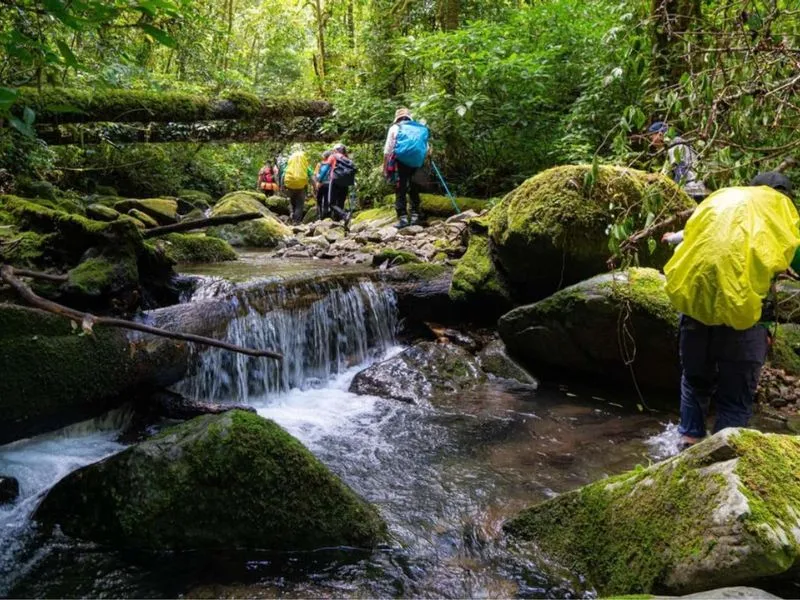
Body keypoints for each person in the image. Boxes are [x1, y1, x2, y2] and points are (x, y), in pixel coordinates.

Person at [662, 172, 800, 448]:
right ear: (786, 196)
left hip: (695, 311)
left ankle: (686, 445)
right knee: (735, 399)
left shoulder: (722, 199)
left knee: (694, 381)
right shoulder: (783, 214)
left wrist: (669, 238)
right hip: (743, 321)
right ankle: (723, 455)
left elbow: (691, 235)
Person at [383, 107, 429, 228]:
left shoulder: (395, 127)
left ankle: (403, 218)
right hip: (417, 162)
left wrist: (385, 168)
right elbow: (427, 149)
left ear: (397, 118)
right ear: (409, 117)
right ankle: (415, 216)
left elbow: (387, 150)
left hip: (401, 161)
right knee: (414, 187)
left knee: (401, 188)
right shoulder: (419, 128)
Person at [647, 121, 708, 201]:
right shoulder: (676, 144)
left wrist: (676, 192)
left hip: (691, 188)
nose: (652, 143)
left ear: (660, 134)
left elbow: (681, 170)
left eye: (652, 138)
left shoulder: (676, 146)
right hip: (695, 187)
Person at [324, 143, 356, 225]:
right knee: (340, 203)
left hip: (335, 180)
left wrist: (319, 180)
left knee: (331, 203)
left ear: (335, 150)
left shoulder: (333, 156)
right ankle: (338, 222)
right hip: (345, 182)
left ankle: (344, 215)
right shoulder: (347, 158)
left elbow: (325, 169)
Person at [282, 144, 313, 224]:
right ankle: (296, 221)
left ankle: (292, 217)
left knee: (292, 202)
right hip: (301, 187)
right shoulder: (305, 166)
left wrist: (282, 187)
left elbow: (283, 175)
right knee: (300, 204)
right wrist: (315, 187)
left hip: (290, 186)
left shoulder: (289, 166)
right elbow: (312, 176)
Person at [313, 150, 333, 219]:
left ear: (324, 157)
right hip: (329, 184)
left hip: (320, 184)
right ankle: (326, 215)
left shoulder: (319, 164)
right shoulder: (332, 164)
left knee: (319, 200)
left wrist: (316, 184)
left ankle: (320, 215)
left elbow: (315, 175)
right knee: (327, 200)